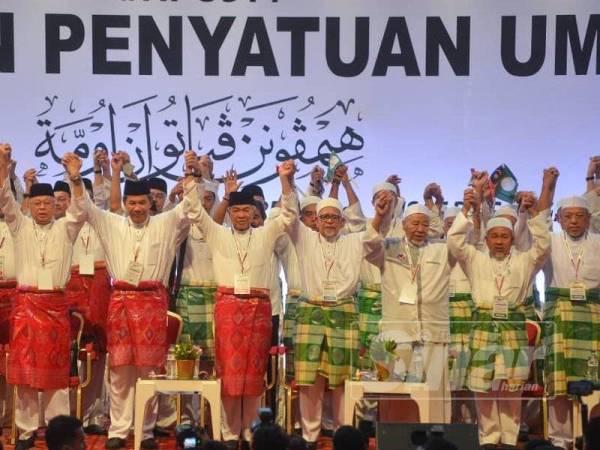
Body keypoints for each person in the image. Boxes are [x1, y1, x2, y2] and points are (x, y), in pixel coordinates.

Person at [70, 150, 202, 450]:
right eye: (132, 203)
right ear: (126, 204)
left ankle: (146, 431)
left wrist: (193, 176)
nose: (137, 208)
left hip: (153, 303)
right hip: (120, 303)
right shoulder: (111, 223)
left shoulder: (166, 223)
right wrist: (76, 177)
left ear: (150, 204)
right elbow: (85, 207)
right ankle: (118, 430)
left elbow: (191, 210)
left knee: (149, 372)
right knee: (119, 371)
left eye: (142, 203)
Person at [184, 157, 297, 449]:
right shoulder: (218, 234)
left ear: (255, 211)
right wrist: (192, 178)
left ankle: (250, 433)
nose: (242, 215)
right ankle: (229, 433)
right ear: (230, 212)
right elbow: (196, 212)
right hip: (228, 309)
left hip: (259, 311)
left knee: (254, 375)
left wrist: (285, 179)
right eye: (236, 210)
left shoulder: (267, 233)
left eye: (247, 209)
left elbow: (289, 215)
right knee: (228, 374)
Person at [447, 167, 557, 447]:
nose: (498, 241)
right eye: (494, 236)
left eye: (504, 237)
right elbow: (455, 241)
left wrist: (533, 216)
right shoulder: (475, 258)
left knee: (511, 388)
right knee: (482, 388)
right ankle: (487, 437)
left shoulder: (525, 260)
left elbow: (543, 246)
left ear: (511, 239)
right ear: (486, 239)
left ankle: (508, 438)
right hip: (483, 324)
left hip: (512, 327)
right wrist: (467, 210)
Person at [0, 146, 87, 450]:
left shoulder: (66, 227)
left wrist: (75, 178)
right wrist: (3, 170)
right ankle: (24, 433)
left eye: (47, 204)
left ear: (54, 205)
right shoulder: (19, 225)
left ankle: (58, 433)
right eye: (36, 203)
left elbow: (80, 209)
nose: (41, 209)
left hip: (54, 307)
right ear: (30, 205)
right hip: (25, 306)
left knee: (54, 374)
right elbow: (6, 201)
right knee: (24, 375)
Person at [366, 192, 452, 423]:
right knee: (397, 392)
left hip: (432, 332)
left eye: (425, 224)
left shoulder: (440, 250)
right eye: (415, 223)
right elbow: (368, 246)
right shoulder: (389, 247)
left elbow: (464, 243)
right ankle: (397, 439)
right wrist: (378, 216)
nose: (420, 228)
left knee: (434, 394)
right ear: (403, 225)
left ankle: (435, 440)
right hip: (398, 333)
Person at [543, 193, 600, 449]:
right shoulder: (549, 242)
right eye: (568, 216)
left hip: (594, 316)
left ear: (589, 220)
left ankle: (593, 438)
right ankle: (559, 440)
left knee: (596, 382)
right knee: (559, 387)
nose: (574, 221)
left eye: (580, 216)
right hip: (559, 318)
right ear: (559, 219)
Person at [64, 179, 111, 435]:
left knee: (98, 355)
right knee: (70, 353)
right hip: (71, 288)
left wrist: (109, 172)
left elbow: (112, 201)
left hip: (99, 288)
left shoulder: (105, 224)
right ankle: (70, 416)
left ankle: (92, 413)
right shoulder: (65, 225)